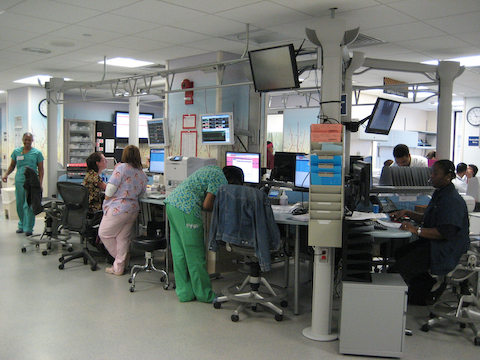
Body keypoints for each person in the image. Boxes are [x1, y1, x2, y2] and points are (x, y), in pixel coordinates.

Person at [390, 160, 470, 304]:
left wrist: (416, 230)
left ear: (448, 176)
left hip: (445, 248)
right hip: (435, 243)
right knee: (400, 253)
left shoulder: (452, 200)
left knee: (399, 268)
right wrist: (408, 212)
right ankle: (423, 293)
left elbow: (445, 232)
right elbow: (429, 217)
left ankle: (409, 299)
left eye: (435, 173)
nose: (431, 176)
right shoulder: (440, 194)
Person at [164, 165, 244, 303]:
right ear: (232, 181)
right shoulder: (221, 179)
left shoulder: (212, 170)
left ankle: (185, 293)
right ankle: (204, 294)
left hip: (172, 205)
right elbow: (207, 205)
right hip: (186, 210)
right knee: (196, 255)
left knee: (180, 254)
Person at [98, 145, 148, 276]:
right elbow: (142, 192)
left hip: (118, 209)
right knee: (122, 238)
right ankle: (118, 268)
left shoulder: (121, 168)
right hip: (133, 209)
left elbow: (110, 189)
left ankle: (122, 260)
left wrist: (107, 198)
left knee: (104, 233)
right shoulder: (142, 173)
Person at [2, 132, 44, 236]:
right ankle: (21, 224)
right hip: (19, 181)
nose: (27, 142)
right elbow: (12, 166)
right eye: (25, 139)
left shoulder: (37, 153)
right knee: (19, 204)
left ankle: (28, 227)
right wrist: (6, 174)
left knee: (28, 204)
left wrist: (40, 183)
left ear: (32, 141)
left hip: (31, 182)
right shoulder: (17, 152)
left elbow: (41, 170)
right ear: (22, 140)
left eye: (29, 140)